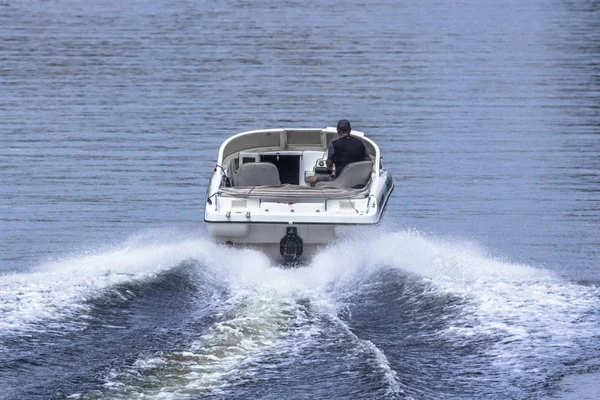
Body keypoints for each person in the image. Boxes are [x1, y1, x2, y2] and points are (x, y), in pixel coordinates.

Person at [310, 119, 370, 186]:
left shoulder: (334, 144)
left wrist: (330, 169)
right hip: (358, 180)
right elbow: (367, 160)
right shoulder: (360, 143)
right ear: (350, 130)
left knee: (313, 179)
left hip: (340, 180)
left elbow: (329, 163)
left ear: (337, 131)